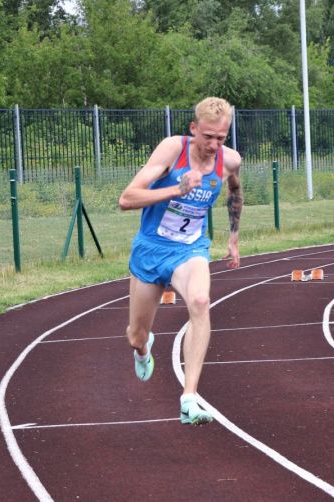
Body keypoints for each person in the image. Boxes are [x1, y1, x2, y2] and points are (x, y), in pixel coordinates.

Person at [118, 97, 243, 425]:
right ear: (193, 129)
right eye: (208, 137)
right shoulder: (172, 150)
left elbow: (235, 192)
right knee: (136, 335)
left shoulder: (230, 161)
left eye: (221, 137)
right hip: (150, 250)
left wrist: (233, 237)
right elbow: (127, 199)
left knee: (201, 301)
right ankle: (143, 349)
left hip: (190, 251)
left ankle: (189, 396)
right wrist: (176, 189)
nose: (214, 144)